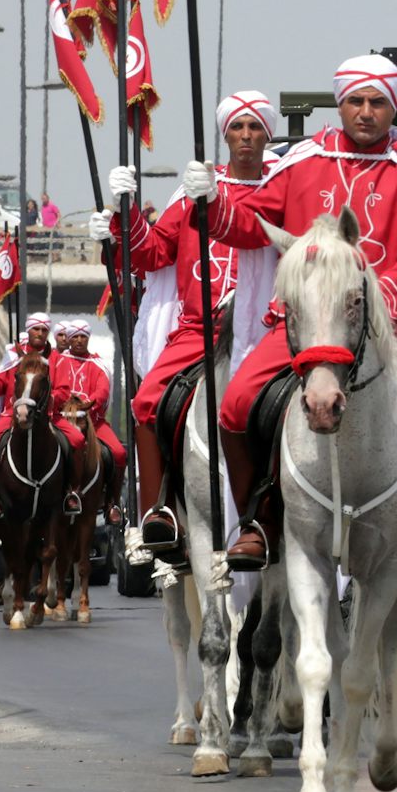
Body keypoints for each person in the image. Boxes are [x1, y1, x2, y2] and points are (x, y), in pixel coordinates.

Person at [196, 53, 397, 570]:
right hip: (308, 323)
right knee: (235, 404)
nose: (365, 112)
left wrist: (378, 308)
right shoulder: (300, 164)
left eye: (377, 102)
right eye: (355, 101)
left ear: (393, 108)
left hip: (396, 321)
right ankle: (259, 518)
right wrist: (212, 206)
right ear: (340, 105)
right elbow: (251, 226)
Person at [97, 90, 286, 553]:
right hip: (202, 329)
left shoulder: (284, 187)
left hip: (269, 328)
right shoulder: (192, 193)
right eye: (237, 128)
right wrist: (125, 216)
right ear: (225, 134)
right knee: (145, 403)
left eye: (254, 127)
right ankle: (156, 512)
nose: (245, 136)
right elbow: (151, 253)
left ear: (268, 134)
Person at [0, 313, 71, 518]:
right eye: (36, 329)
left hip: (48, 415)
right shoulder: (13, 356)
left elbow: (64, 390)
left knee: (78, 441)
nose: (40, 333)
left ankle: (70, 492)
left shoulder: (57, 358)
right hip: (13, 413)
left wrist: (48, 401)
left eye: (45, 330)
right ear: (29, 330)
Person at [51, 320, 126, 525]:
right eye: (74, 336)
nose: (78, 340)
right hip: (61, 419)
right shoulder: (57, 360)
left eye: (83, 336)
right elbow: (50, 387)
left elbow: (102, 391)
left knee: (119, 453)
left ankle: (112, 503)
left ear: (88, 338)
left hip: (93, 419)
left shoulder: (98, 363)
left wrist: (89, 405)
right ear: (69, 338)